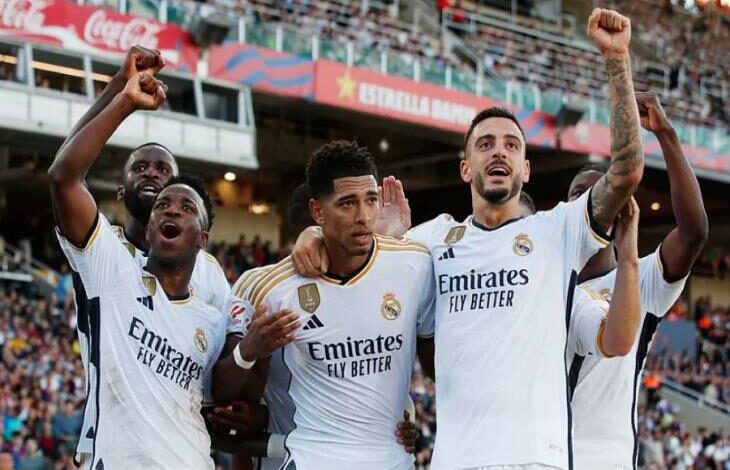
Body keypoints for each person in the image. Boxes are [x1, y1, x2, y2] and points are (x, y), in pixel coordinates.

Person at [291, 8, 645, 469]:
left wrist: (617, 61)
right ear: (465, 168)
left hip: (535, 461)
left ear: (525, 169)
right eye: (485, 144)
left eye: (511, 145)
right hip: (455, 460)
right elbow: (358, 255)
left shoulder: (557, 229)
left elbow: (626, 172)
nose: (499, 151)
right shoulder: (435, 239)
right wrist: (315, 233)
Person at [48, 66, 230, 468]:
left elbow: (221, 366)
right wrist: (119, 93)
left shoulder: (209, 273)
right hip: (110, 443)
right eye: (140, 167)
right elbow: (64, 171)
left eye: (163, 171)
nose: (151, 173)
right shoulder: (106, 254)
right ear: (120, 190)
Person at [214, 140, 436, 470]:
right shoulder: (266, 288)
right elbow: (232, 405)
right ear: (317, 212)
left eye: (371, 200)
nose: (364, 216)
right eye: (347, 204)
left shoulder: (416, 264)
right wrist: (249, 351)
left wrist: (412, 413)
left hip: (391, 460)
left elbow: (438, 364)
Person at [567, 92, 708, 470]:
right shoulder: (547, 281)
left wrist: (667, 136)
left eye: (599, 191)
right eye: (577, 193)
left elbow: (693, 232)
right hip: (541, 457)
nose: (586, 200)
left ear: (620, 208)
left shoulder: (641, 279)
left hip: (604, 460)